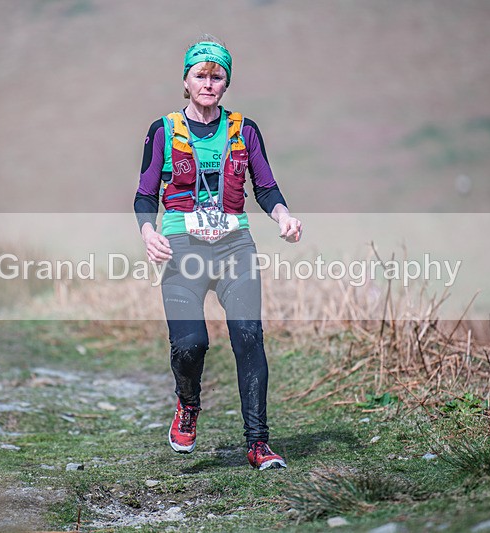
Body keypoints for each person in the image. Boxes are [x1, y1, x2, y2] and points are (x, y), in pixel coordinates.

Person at [133, 35, 302, 470]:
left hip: (234, 246)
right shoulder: (163, 130)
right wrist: (148, 232)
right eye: (200, 76)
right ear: (186, 82)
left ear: (226, 83)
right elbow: (144, 194)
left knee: (249, 338)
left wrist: (282, 215)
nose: (209, 84)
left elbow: (264, 186)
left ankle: (259, 443)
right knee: (191, 344)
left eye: (217, 77)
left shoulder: (244, 130)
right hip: (181, 249)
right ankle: (188, 405)